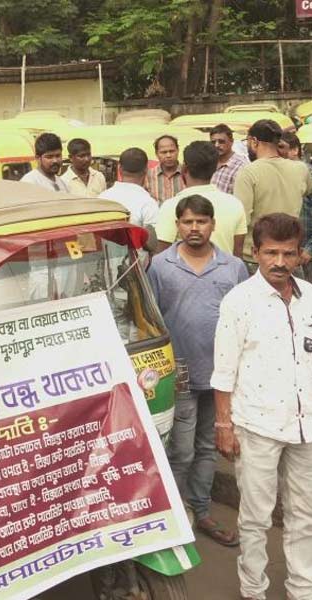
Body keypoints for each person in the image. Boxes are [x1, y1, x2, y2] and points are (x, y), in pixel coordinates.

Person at [211, 213, 312, 600]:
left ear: (300, 255)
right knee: (255, 517)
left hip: (304, 428)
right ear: (256, 253)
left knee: (304, 515)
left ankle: (301, 589)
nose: (280, 263)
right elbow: (224, 370)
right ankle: (254, 590)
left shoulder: (308, 298)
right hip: (256, 426)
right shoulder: (239, 302)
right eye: (271, 253)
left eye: (288, 253)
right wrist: (224, 425)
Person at [147, 194, 247, 548]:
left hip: (222, 373)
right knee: (182, 449)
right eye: (187, 222)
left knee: (208, 446)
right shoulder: (160, 265)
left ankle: (202, 511)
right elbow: (150, 319)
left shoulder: (233, 267)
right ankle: (174, 515)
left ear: (212, 225)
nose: (194, 228)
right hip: (182, 369)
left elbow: (245, 321)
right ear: (177, 225)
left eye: (201, 221)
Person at [234, 119, 312, 267]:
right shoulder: (301, 169)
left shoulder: (248, 173)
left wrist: (235, 259)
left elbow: (241, 220)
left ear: (253, 141)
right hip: (290, 255)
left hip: (257, 257)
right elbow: (307, 193)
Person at [155, 141, 247, 257]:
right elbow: (237, 254)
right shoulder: (235, 204)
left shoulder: (171, 206)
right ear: (215, 168)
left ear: (184, 169)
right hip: (225, 274)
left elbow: (162, 256)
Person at [279, 132, 312, 279]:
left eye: (282, 147)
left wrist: (309, 250)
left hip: (305, 252)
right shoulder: (278, 174)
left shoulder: (307, 175)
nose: (278, 152)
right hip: (287, 249)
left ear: (295, 150)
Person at [98, 147, 158, 228]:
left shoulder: (102, 198)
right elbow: (153, 238)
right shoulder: (148, 204)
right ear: (146, 170)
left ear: (120, 169)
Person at [210, 123, 249, 195]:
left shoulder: (241, 166)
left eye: (221, 142)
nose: (216, 145)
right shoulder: (209, 162)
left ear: (231, 141)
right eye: (213, 142)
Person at [145, 134, 184, 204]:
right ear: (157, 154)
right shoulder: (148, 176)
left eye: (172, 151)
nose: (168, 155)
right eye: (163, 152)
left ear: (178, 151)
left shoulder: (187, 174)